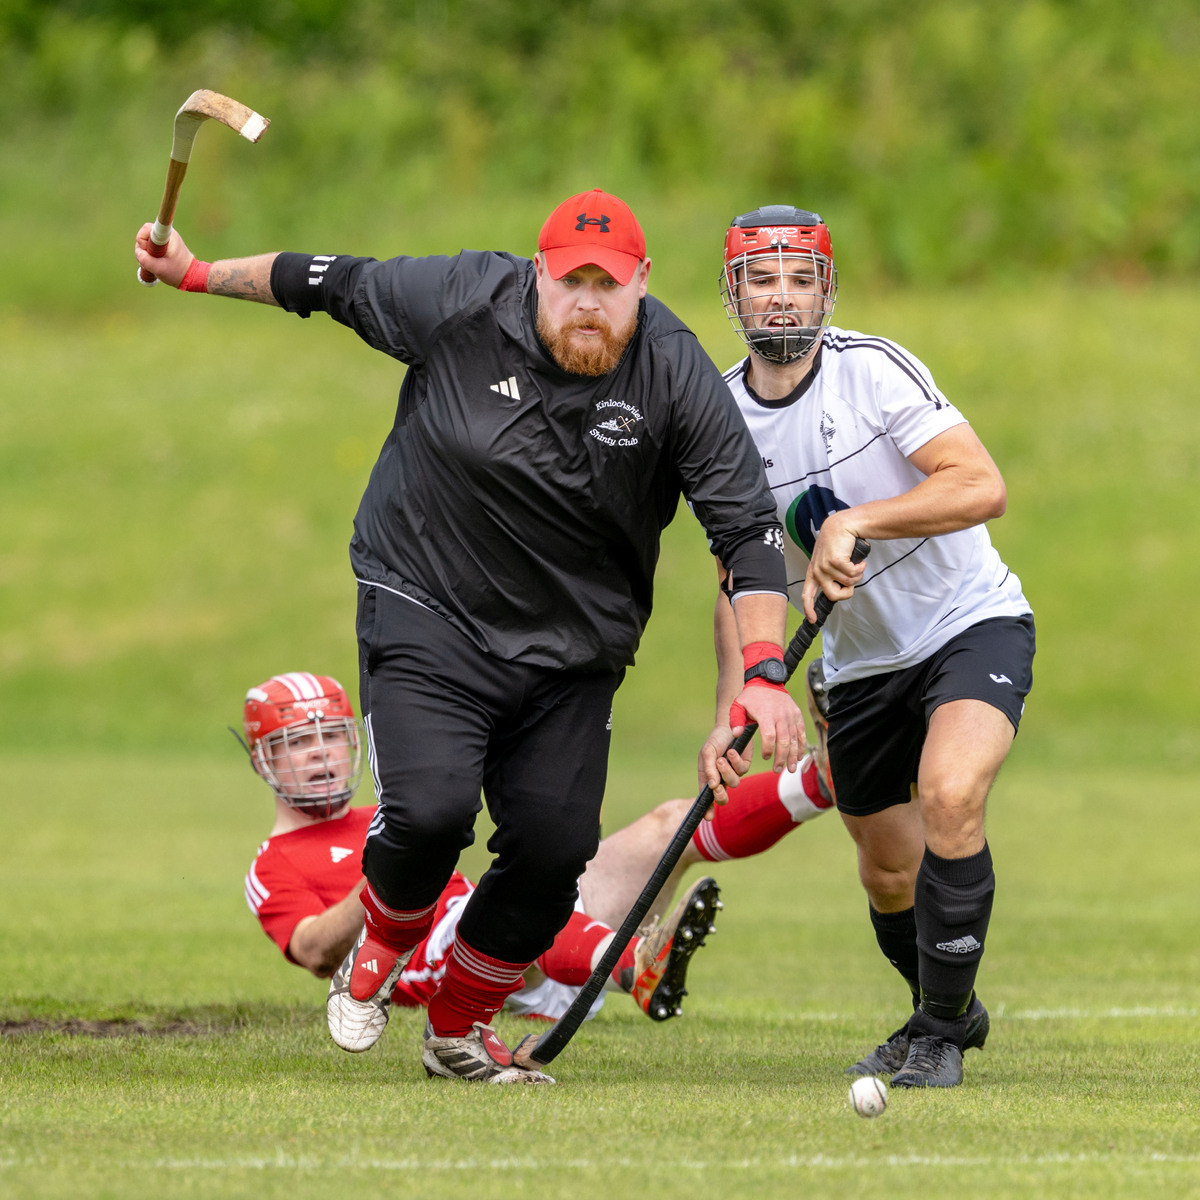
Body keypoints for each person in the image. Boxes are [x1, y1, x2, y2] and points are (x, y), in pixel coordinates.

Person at [137, 185, 807, 1084]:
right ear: (539, 275)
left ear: (642, 283)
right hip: (427, 600)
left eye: (608, 286)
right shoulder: (459, 299)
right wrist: (196, 273)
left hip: (575, 649)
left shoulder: (676, 373)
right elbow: (323, 281)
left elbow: (750, 534)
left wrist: (762, 675)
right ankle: (377, 950)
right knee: (431, 812)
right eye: (570, 282)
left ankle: (456, 1029)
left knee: (553, 849)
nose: (587, 304)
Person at [704, 206, 1035, 1089]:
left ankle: (932, 1035)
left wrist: (859, 521)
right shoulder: (721, 416)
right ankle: (953, 1014)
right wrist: (741, 698)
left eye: (801, 279)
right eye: (764, 280)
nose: (783, 298)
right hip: (855, 666)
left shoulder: (874, 372)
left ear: (827, 289)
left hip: (966, 621)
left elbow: (980, 484)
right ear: (734, 293)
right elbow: (745, 576)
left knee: (950, 794)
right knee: (889, 869)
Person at [240, 672, 835, 1078]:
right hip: (456, 963)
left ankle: (826, 781)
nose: (319, 755)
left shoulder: (388, 813)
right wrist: (397, 868)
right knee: (503, 910)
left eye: (329, 738)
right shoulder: (274, 863)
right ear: (263, 758)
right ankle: (633, 964)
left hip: (527, 934)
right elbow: (316, 951)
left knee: (665, 826)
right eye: (297, 743)